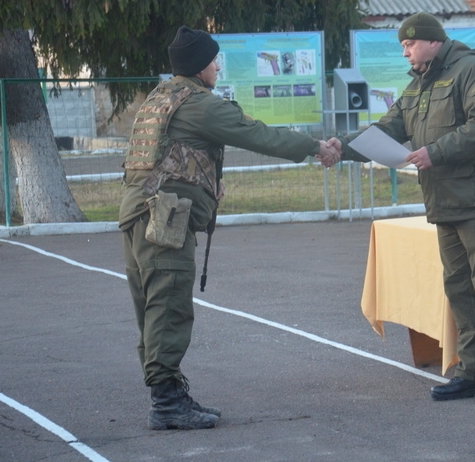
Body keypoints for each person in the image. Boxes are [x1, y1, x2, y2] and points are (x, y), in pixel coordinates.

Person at [119, 25, 339, 430]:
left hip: (138, 215)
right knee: (168, 308)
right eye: (214, 60)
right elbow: (256, 133)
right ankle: (167, 404)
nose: (218, 67)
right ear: (201, 65)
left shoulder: (161, 97)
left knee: (153, 310)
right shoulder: (200, 104)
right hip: (163, 219)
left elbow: (169, 156)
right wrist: (314, 147)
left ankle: (168, 393)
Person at [328, 12, 475, 404]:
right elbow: (387, 129)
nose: (405, 53)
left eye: (409, 45)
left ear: (432, 41)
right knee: (460, 289)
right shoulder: (418, 85)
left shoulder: (474, 70)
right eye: (403, 47)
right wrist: (340, 146)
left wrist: (433, 153)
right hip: (446, 202)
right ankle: (474, 370)